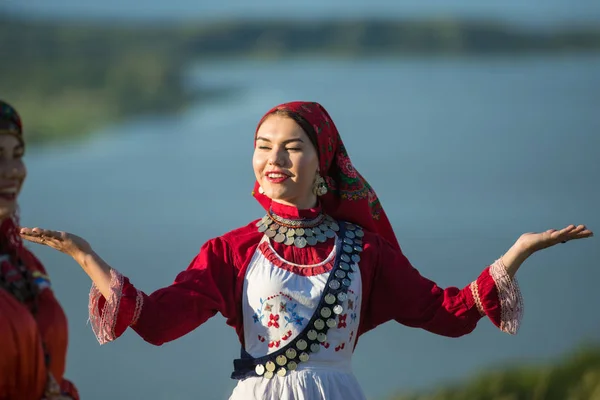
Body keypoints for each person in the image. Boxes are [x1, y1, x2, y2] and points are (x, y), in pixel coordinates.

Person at [20, 101, 593, 400]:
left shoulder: (364, 250)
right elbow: (159, 322)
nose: (275, 159)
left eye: (293, 147)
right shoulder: (230, 250)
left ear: (324, 162)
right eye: (263, 146)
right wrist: (86, 258)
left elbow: (443, 313)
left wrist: (515, 255)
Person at [0, 100, 79, 400]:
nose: (12, 171)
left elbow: (49, 378)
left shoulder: (24, 264)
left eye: (17, 155)